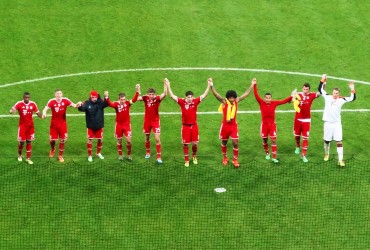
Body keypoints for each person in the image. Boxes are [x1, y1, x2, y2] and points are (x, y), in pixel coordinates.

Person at [165, 78, 211, 167]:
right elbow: (172, 96)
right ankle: (186, 159)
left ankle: (194, 156)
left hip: (194, 126)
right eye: (188, 97)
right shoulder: (182, 102)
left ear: (193, 97)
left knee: (195, 143)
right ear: (186, 97)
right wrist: (168, 85)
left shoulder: (195, 101)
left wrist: (209, 85)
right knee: (185, 143)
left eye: (191, 97)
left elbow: (204, 95)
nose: (190, 99)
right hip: (185, 126)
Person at [210, 78, 254, 168]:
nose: (232, 99)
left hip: (233, 126)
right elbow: (216, 95)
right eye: (231, 97)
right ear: (228, 97)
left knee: (235, 142)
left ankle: (235, 159)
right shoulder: (224, 102)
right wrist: (211, 85)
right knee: (224, 143)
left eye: (233, 97)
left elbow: (246, 94)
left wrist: (252, 85)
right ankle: (225, 158)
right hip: (225, 127)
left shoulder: (236, 101)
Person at [318, 74, 356, 167]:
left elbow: (353, 98)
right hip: (327, 123)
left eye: (337, 93)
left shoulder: (342, 99)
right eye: (334, 93)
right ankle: (326, 153)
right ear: (332, 92)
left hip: (337, 124)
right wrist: (323, 79)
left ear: (339, 94)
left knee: (339, 141)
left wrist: (352, 88)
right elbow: (320, 89)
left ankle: (340, 160)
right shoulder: (327, 97)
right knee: (327, 141)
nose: (335, 95)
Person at [253, 78, 293, 163]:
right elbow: (256, 95)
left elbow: (283, 101)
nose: (268, 99)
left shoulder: (274, 103)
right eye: (266, 98)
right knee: (264, 140)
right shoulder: (261, 102)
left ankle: (274, 157)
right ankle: (267, 153)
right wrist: (255, 85)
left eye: (269, 98)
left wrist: (291, 96)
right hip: (264, 125)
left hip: (272, 125)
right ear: (264, 98)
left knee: (274, 140)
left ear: (271, 98)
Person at [42, 89, 82, 163]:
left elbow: (74, 106)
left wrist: (78, 104)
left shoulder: (65, 100)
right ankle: (53, 149)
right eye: (57, 93)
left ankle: (60, 155)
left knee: (62, 140)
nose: (59, 95)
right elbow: (45, 109)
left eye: (60, 93)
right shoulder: (51, 101)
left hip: (62, 124)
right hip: (54, 125)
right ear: (55, 95)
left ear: (62, 94)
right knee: (52, 140)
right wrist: (44, 113)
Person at [104, 84, 140, 161]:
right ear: (119, 99)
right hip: (119, 125)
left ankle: (129, 155)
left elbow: (134, 99)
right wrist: (106, 97)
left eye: (124, 99)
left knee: (129, 141)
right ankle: (120, 155)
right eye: (122, 99)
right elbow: (110, 104)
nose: (123, 101)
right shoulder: (116, 104)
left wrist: (137, 91)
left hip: (127, 125)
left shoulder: (127, 103)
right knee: (119, 141)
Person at [137, 81, 166, 164]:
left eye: (152, 94)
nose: (151, 96)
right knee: (147, 137)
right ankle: (148, 152)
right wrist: (138, 90)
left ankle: (159, 157)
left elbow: (164, 94)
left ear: (154, 94)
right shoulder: (145, 98)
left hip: (155, 121)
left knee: (157, 138)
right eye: (149, 94)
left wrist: (165, 85)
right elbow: (137, 98)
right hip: (147, 121)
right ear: (148, 94)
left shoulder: (157, 99)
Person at [9, 92, 43, 164]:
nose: (27, 99)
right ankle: (20, 155)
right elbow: (12, 109)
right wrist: (11, 111)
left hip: (30, 127)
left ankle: (28, 158)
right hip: (22, 127)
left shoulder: (33, 104)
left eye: (28, 97)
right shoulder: (19, 103)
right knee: (21, 142)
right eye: (26, 97)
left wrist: (42, 116)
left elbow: (38, 113)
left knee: (29, 142)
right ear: (23, 97)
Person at [292, 83, 321, 163]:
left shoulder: (311, 95)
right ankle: (297, 146)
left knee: (305, 138)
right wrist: (293, 94)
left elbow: (320, 93)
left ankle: (303, 155)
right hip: (297, 119)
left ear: (309, 90)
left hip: (306, 120)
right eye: (304, 89)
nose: (305, 91)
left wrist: (323, 82)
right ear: (302, 89)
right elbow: (291, 101)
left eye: (307, 89)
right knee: (297, 136)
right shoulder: (298, 95)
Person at [78, 90, 109, 162]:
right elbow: (82, 109)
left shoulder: (100, 102)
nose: (94, 99)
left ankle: (98, 153)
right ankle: (90, 155)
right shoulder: (87, 103)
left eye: (95, 97)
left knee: (100, 139)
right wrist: (80, 106)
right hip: (90, 126)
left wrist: (106, 96)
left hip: (99, 125)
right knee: (89, 140)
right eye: (93, 97)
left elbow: (106, 103)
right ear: (90, 97)